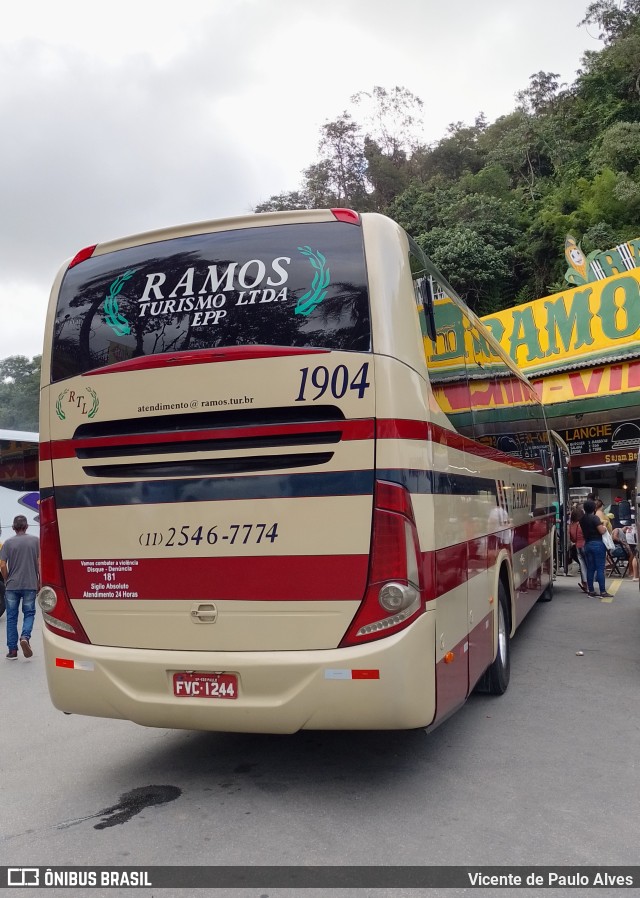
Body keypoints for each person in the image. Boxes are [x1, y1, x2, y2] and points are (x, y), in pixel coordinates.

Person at [0, 514, 40, 659]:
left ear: (13, 528)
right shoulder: (35, 541)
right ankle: (25, 637)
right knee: (29, 613)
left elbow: (3, 564)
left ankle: (12, 651)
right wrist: (39, 580)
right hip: (30, 583)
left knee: (11, 618)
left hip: (12, 585)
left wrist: (6, 578)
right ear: (27, 526)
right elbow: (39, 563)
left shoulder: (8, 543)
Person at [579, 499, 613, 598]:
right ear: (594, 508)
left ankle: (591, 590)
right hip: (597, 544)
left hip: (587, 544)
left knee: (590, 568)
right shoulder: (595, 518)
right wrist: (605, 525)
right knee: (600, 568)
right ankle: (602, 591)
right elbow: (601, 531)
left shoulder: (582, 519)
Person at [568, 505, 588, 593]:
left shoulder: (571, 526)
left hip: (577, 547)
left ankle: (584, 583)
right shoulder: (583, 524)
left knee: (582, 565)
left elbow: (572, 539)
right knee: (588, 565)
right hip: (585, 545)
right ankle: (588, 584)